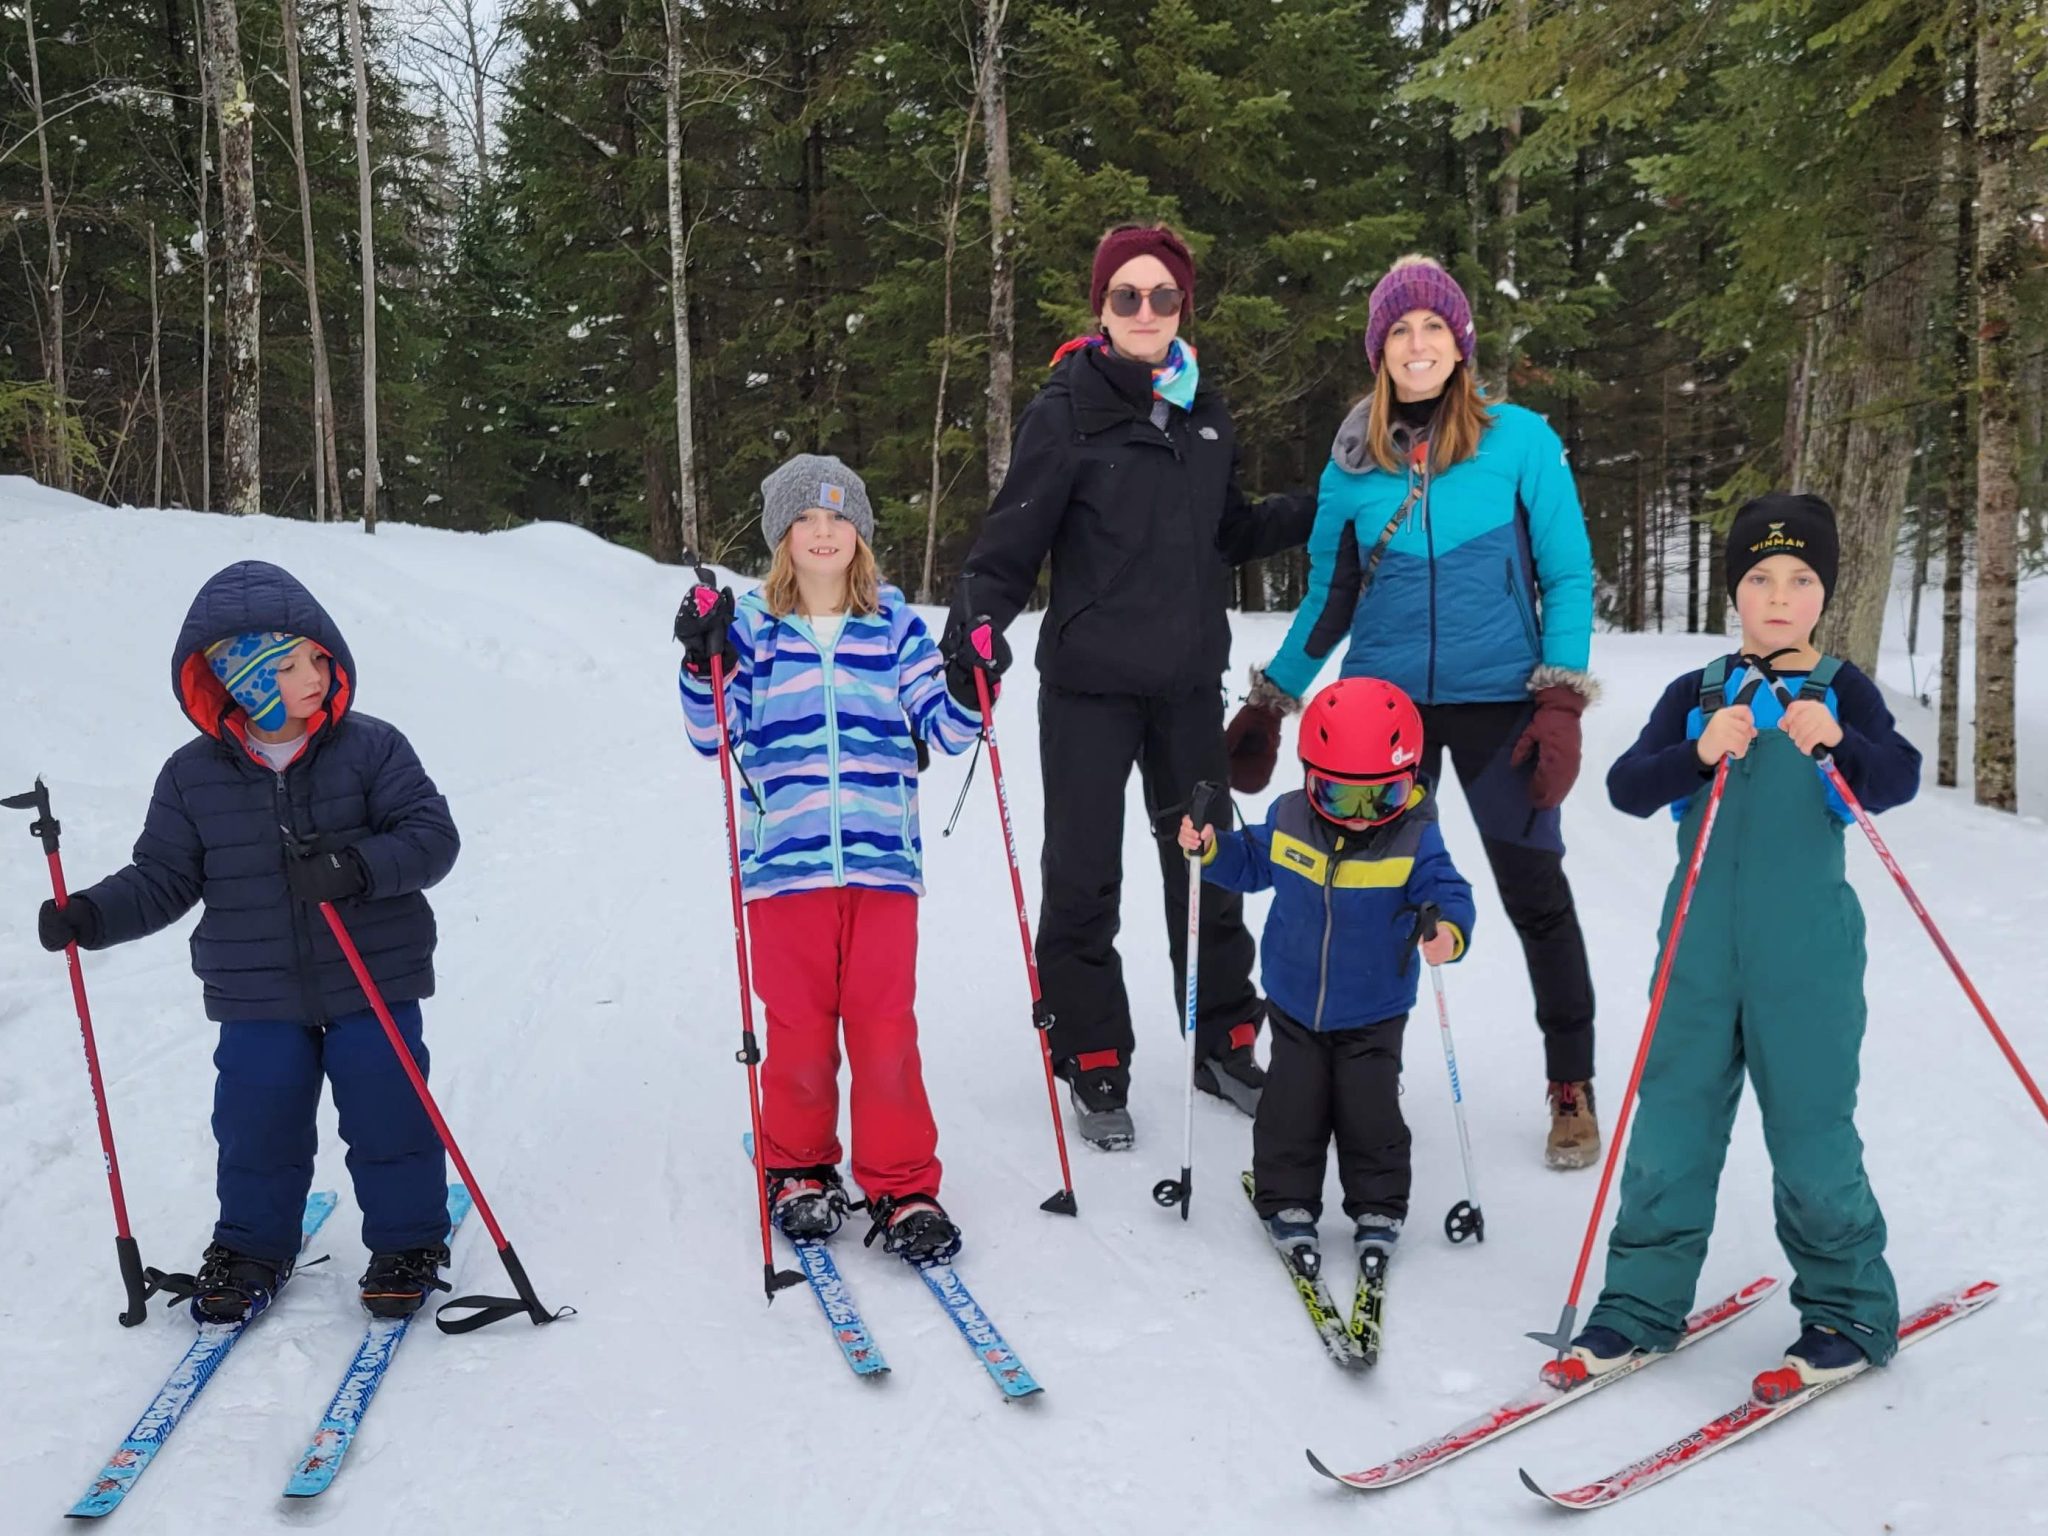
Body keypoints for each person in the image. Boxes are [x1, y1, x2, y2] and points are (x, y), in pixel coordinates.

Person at [944, 221, 1317, 1151]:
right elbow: (1008, 546)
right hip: (1088, 691)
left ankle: (1227, 1039)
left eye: (1160, 297)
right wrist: (977, 625)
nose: (1144, 311)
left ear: (1182, 307)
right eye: (1125, 297)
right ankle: (1096, 1057)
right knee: (1083, 874)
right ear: (1101, 308)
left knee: (1209, 869)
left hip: (1186, 685)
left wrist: (1322, 512)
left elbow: (1227, 530)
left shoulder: (1207, 413)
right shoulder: (1063, 410)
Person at [1234, 253, 1604, 1170]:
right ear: (1379, 350)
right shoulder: (1354, 462)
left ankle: (1570, 1083)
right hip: (1383, 711)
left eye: (1433, 325)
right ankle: (1367, 1073)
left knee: (1534, 892)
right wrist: (1273, 702)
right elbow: (1331, 594)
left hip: (1497, 700)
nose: (1417, 342)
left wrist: (1560, 700)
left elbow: (1565, 573)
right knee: (1360, 891)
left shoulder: (1520, 441)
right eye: (1399, 329)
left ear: (1461, 343)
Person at [1555, 492, 1921, 1400]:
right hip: (1698, 950)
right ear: (1735, 592)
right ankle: (1639, 1306)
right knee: (1671, 1128)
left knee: (1810, 1135)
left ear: (1824, 594)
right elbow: (1627, 789)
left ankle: (1847, 1307)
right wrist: (1699, 752)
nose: (1781, 595)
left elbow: (1899, 778)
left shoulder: (1844, 688)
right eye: (1760, 577)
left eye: (1801, 579)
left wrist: (1838, 738)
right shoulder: (1701, 693)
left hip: (1807, 956)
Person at [35, 561, 460, 1322]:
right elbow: (162, 875)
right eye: (288, 665)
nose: (313, 675)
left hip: (372, 979)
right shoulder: (193, 778)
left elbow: (433, 839)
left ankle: (408, 1241)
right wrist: (91, 916)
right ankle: (253, 1246)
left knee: (389, 1110)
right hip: (256, 990)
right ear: (242, 682)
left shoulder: (372, 749)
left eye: (318, 658)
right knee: (255, 1122)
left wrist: (357, 867)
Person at [676, 454, 983, 1262]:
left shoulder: (896, 628)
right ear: (782, 535)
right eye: (806, 519)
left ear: (862, 536)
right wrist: (698, 660)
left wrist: (972, 676)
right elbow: (713, 735)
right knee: (801, 1033)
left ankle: (902, 1182)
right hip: (786, 872)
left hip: (883, 869)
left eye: (838, 518)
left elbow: (951, 731)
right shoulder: (751, 629)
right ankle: (799, 1169)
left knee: (885, 1035)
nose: (823, 532)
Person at [1180, 676, 1474, 1277]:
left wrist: (1446, 930)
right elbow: (1253, 862)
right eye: (1341, 799)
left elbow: (1448, 891)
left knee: (1370, 1114)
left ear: (1411, 782)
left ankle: (1379, 1207)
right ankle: (1287, 1201)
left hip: (1374, 1008)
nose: (1363, 818)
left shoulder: (1416, 838)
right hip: (1293, 1004)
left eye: (1383, 799)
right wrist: (1212, 852)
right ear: (1311, 779)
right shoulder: (1289, 818)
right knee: (1292, 1108)